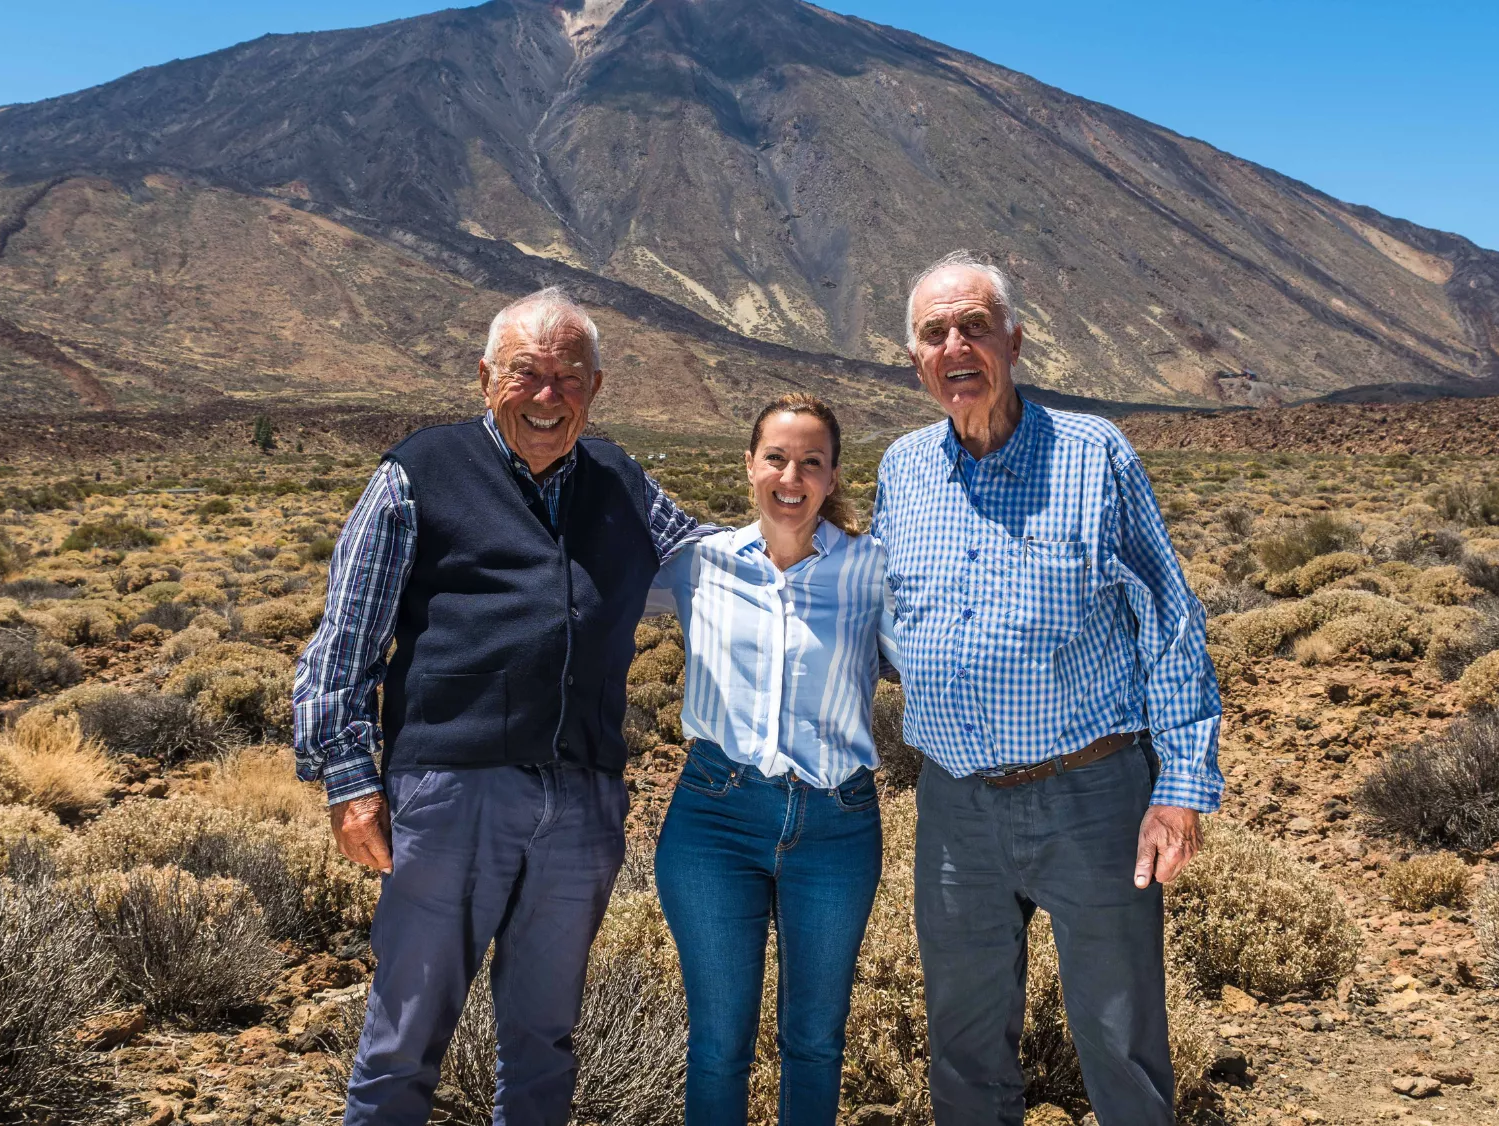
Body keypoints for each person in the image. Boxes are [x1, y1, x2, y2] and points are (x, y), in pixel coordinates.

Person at [292, 287, 719, 1126]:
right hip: (451, 792)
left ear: (596, 389)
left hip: (583, 800)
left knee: (543, 1042)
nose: (547, 396)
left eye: (568, 377)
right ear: (486, 377)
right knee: (404, 1035)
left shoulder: (621, 481)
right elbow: (343, 642)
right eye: (527, 373)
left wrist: (832, 561)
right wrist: (349, 783)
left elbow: (720, 566)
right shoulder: (419, 473)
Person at [871, 251, 1225, 1126]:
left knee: (1119, 1035)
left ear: (1015, 342)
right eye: (934, 333)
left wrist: (1179, 788)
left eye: (975, 328)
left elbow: (1169, 618)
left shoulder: (1092, 453)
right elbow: (880, 620)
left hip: (1095, 797)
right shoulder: (901, 470)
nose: (956, 347)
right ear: (914, 358)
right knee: (962, 1037)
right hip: (955, 804)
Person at [647, 392, 898, 1126]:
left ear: (832, 476)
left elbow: (930, 653)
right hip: (715, 820)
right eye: (777, 459)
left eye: (811, 463)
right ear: (750, 466)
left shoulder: (869, 569)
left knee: (815, 1042)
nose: (792, 477)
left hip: (837, 825)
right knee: (718, 1044)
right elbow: (588, 593)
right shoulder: (699, 564)